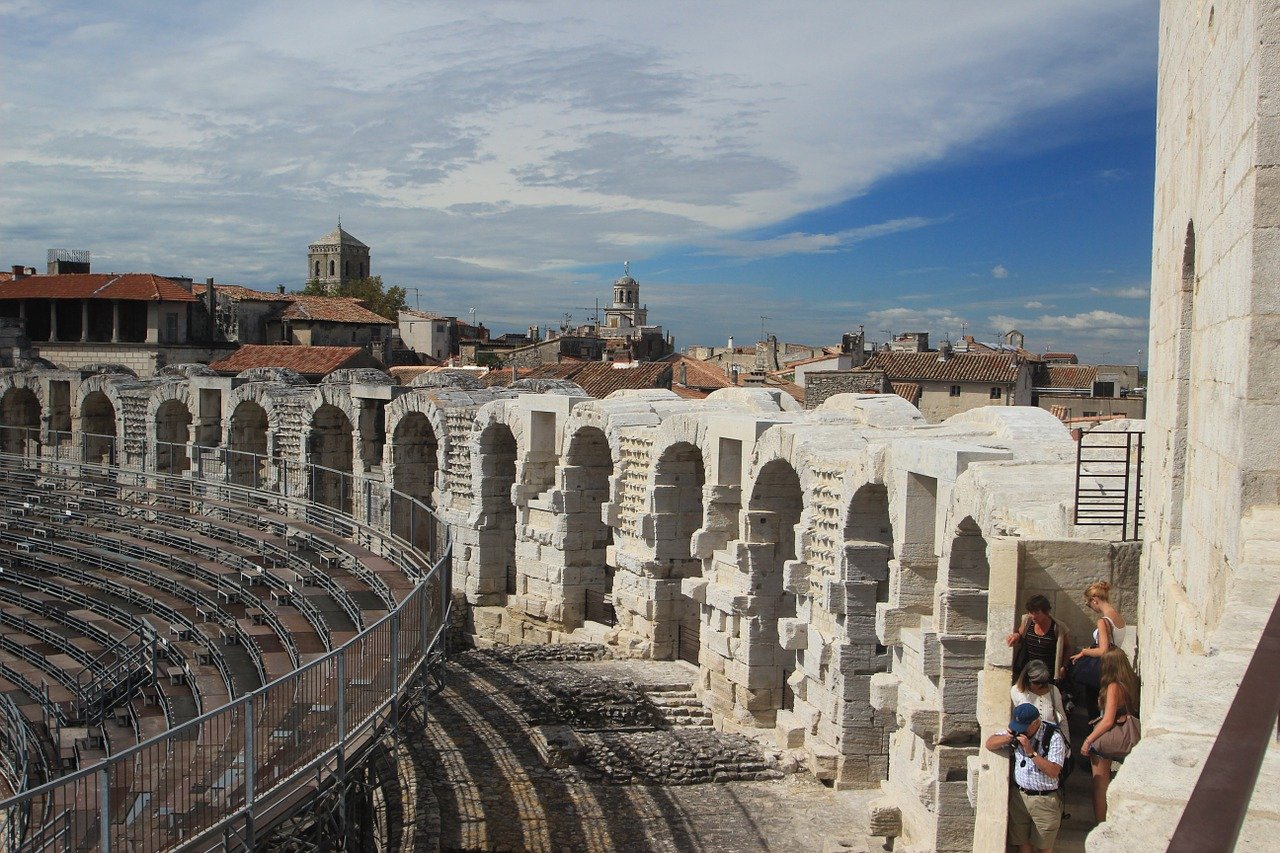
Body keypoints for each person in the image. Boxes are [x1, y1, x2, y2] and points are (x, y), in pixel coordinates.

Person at [985, 703, 1068, 853]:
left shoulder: (1054, 737)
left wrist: (1031, 752)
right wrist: (1007, 738)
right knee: (1021, 843)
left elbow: (1054, 771)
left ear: (1036, 723)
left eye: (1024, 727)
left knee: (1044, 847)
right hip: (1019, 797)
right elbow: (989, 744)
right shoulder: (1017, 731)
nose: (1020, 731)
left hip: (1045, 801)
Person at [1080, 648, 1140, 823]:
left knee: (1100, 786)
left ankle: (1101, 824)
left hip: (1110, 738)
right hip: (1128, 734)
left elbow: (1107, 720)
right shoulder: (1132, 682)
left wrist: (1088, 740)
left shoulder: (1113, 687)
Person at [1069, 581, 1128, 714]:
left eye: (1089, 604)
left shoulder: (1103, 621)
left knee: (1094, 706)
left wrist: (1084, 651)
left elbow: (1103, 650)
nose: (1091, 608)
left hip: (1103, 668)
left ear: (1094, 600)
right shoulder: (1118, 617)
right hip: (1115, 666)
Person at [1005, 594, 1071, 685]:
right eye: (1031, 612)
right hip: (1027, 670)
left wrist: (1064, 666)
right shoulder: (1027, 621)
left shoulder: (1058, 627)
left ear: (1046, 612)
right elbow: (1021, 634)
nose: (1033, 616)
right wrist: (1016, 636)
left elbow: (1067, 647)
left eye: (1037, 613)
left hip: (1047, 673)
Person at [1011, 659, 1070, 746]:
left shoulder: (1054, 691)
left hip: (1050, 744)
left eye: (1044, 682)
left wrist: (1066, 743)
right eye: (1037, 682)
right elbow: (1014, 719)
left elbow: (1062, 721)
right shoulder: (1016, 691)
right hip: (1026, 743)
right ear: (1027, 679)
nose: (1040, 686)